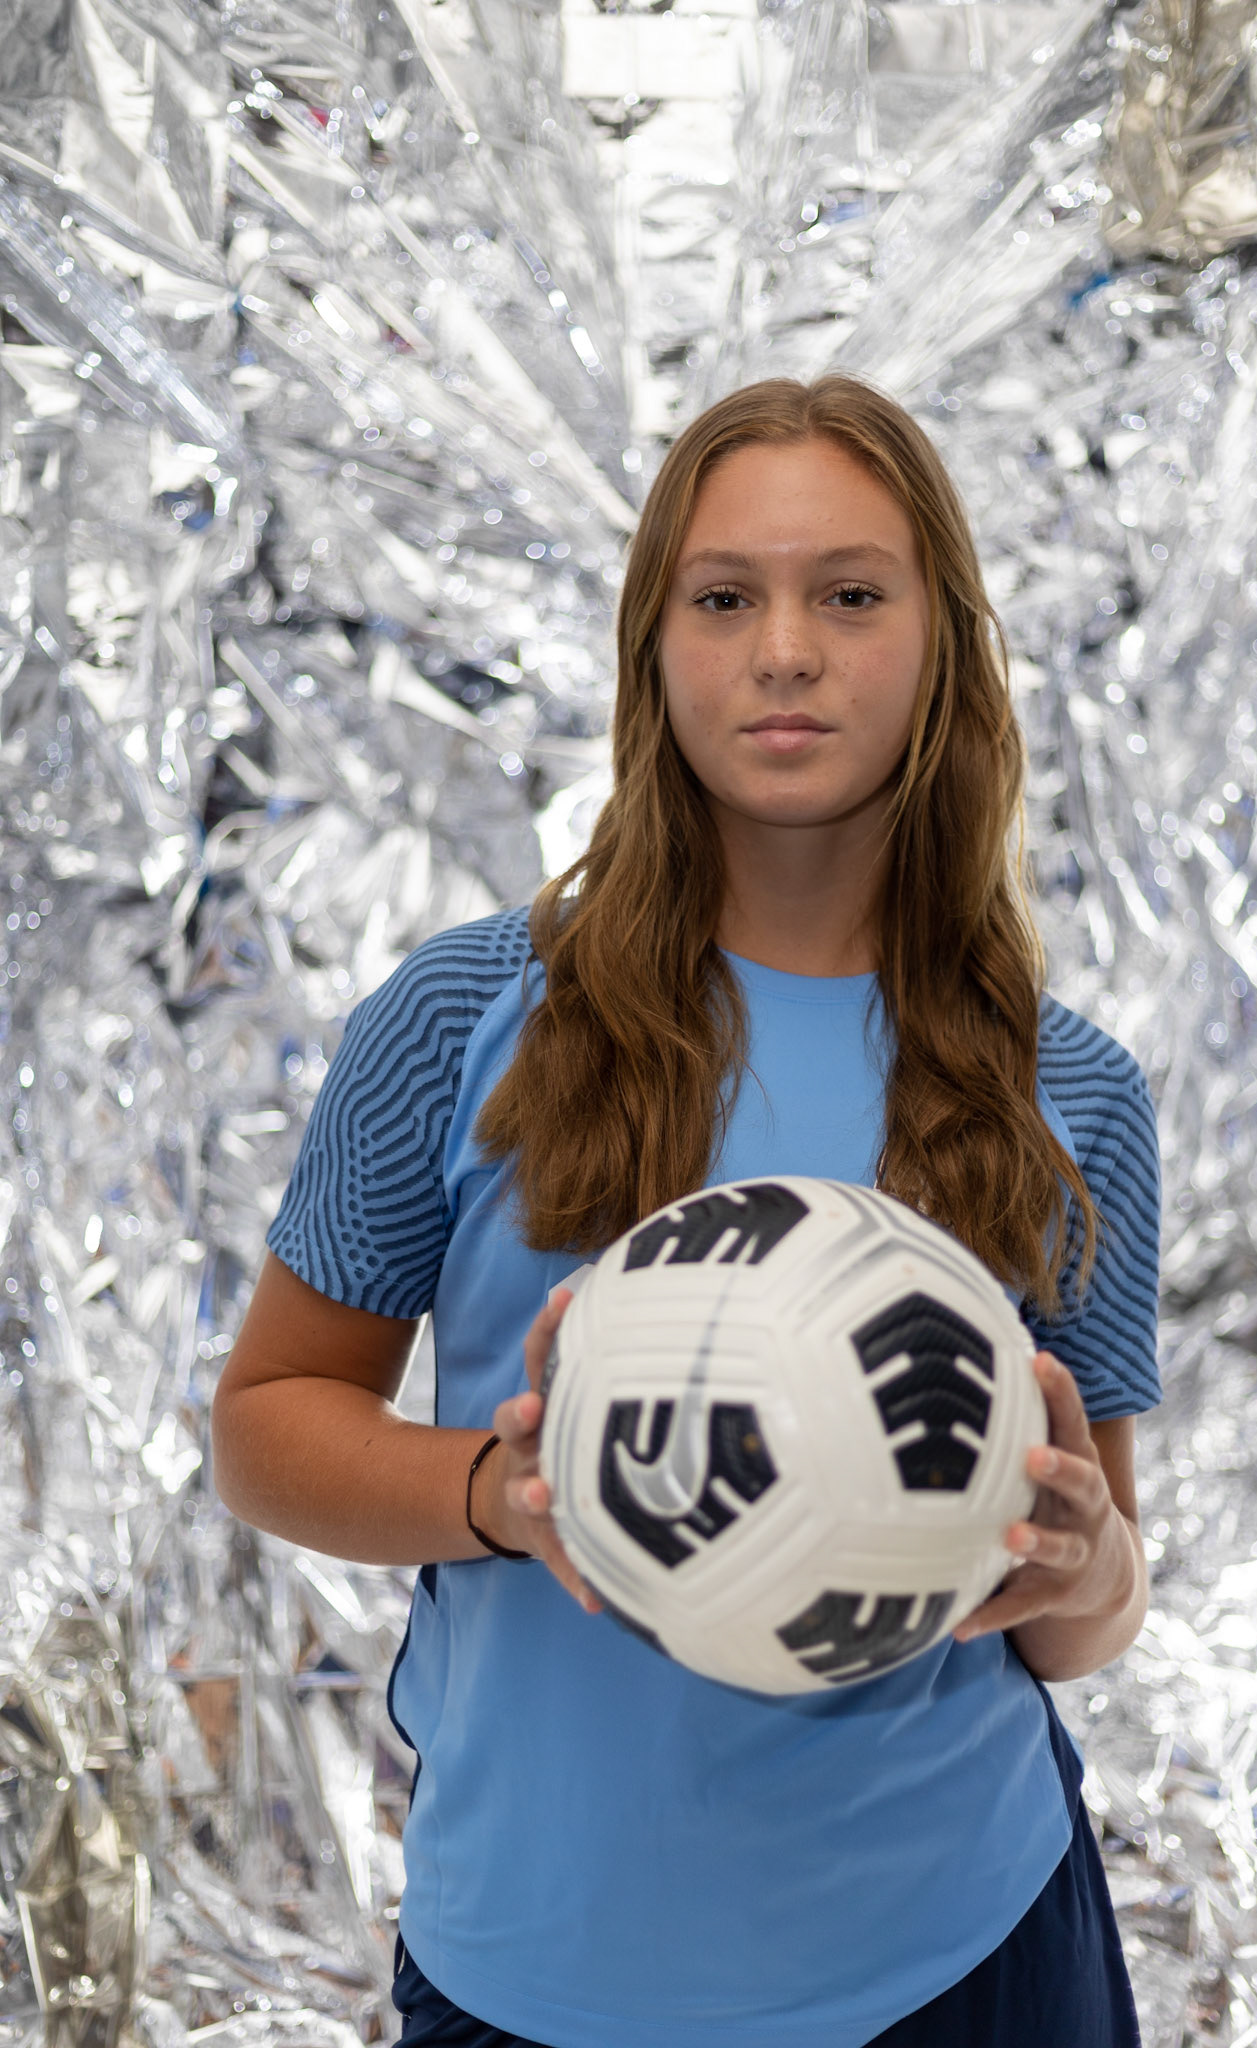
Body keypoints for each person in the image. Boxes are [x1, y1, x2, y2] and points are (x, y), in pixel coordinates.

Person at [212, 375, 1161, 2048]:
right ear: (655, 646)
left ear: (941, 640)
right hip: (541, 1966)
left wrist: (1079, 1562)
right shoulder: (458, 1019)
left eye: (849, 595)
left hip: (960, 1957)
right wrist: (508, 1494)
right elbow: (271, 1424)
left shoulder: (1064, 1087)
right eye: (724, 599)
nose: (783, 651)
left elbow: (1089, 1611)